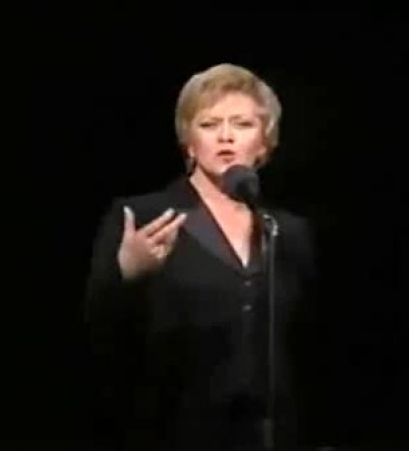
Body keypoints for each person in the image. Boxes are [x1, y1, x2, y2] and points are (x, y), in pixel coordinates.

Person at [83, 63, 318, 450]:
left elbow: (310, 347)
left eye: (242, 124)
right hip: (174, 431)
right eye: (209, 124)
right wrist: (127, 274)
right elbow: (98, 334)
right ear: (189, 143)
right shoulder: (144, 218)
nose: (226, 136)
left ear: (264, 143)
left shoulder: (286, 231)